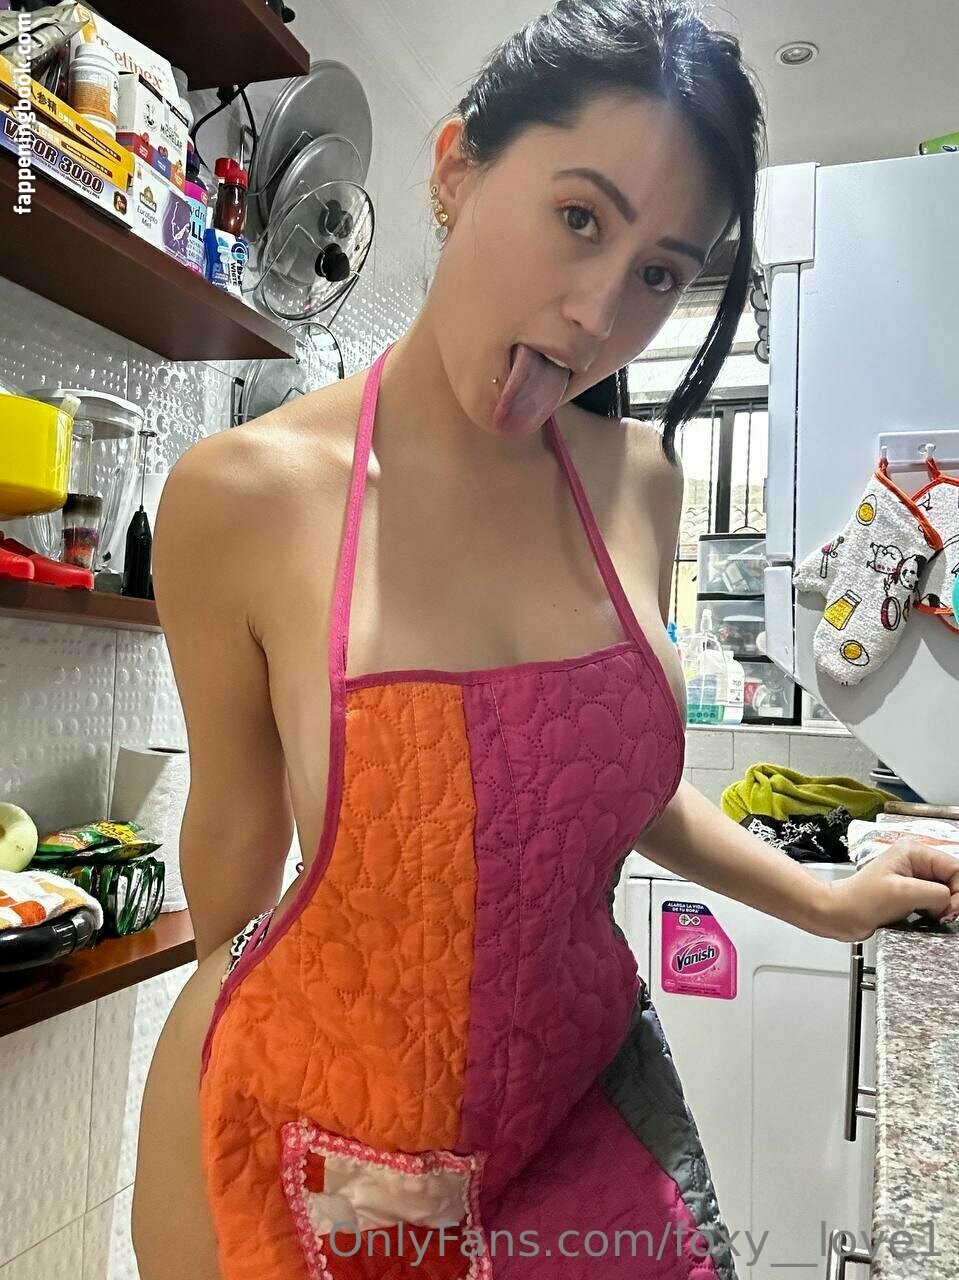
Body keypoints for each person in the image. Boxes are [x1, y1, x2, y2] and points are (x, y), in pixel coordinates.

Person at [132, 2, 959, 1277]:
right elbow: (230, 910)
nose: (594, 313)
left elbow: (599, 780)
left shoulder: (640, 485)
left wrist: (826, 902)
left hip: (587, 1109)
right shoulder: (242, 499)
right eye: (578, 216)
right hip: (341, 1148)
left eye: (658, 274)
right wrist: (194, 1180)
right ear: (456, 168)